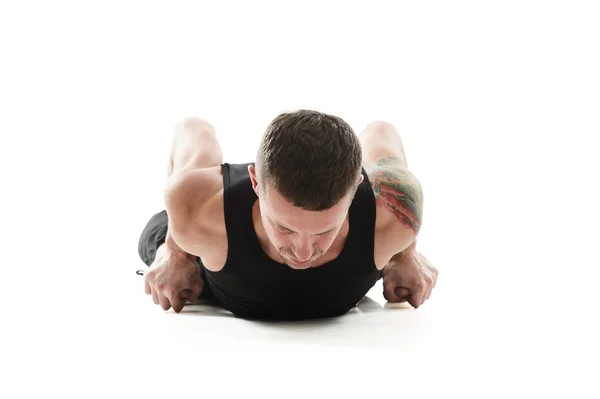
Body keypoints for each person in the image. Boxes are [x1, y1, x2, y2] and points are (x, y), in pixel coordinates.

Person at [137, 110, 438, 320]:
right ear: (255, 182)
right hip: (212, 242)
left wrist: (405, 254)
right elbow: (190, 128)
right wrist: (176, 254)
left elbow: (382, 131)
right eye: (285, 228)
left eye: (323, 231)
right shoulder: (197, 206)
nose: (303, 253)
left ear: (357, 189)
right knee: (195, 170)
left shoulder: (395, 205)